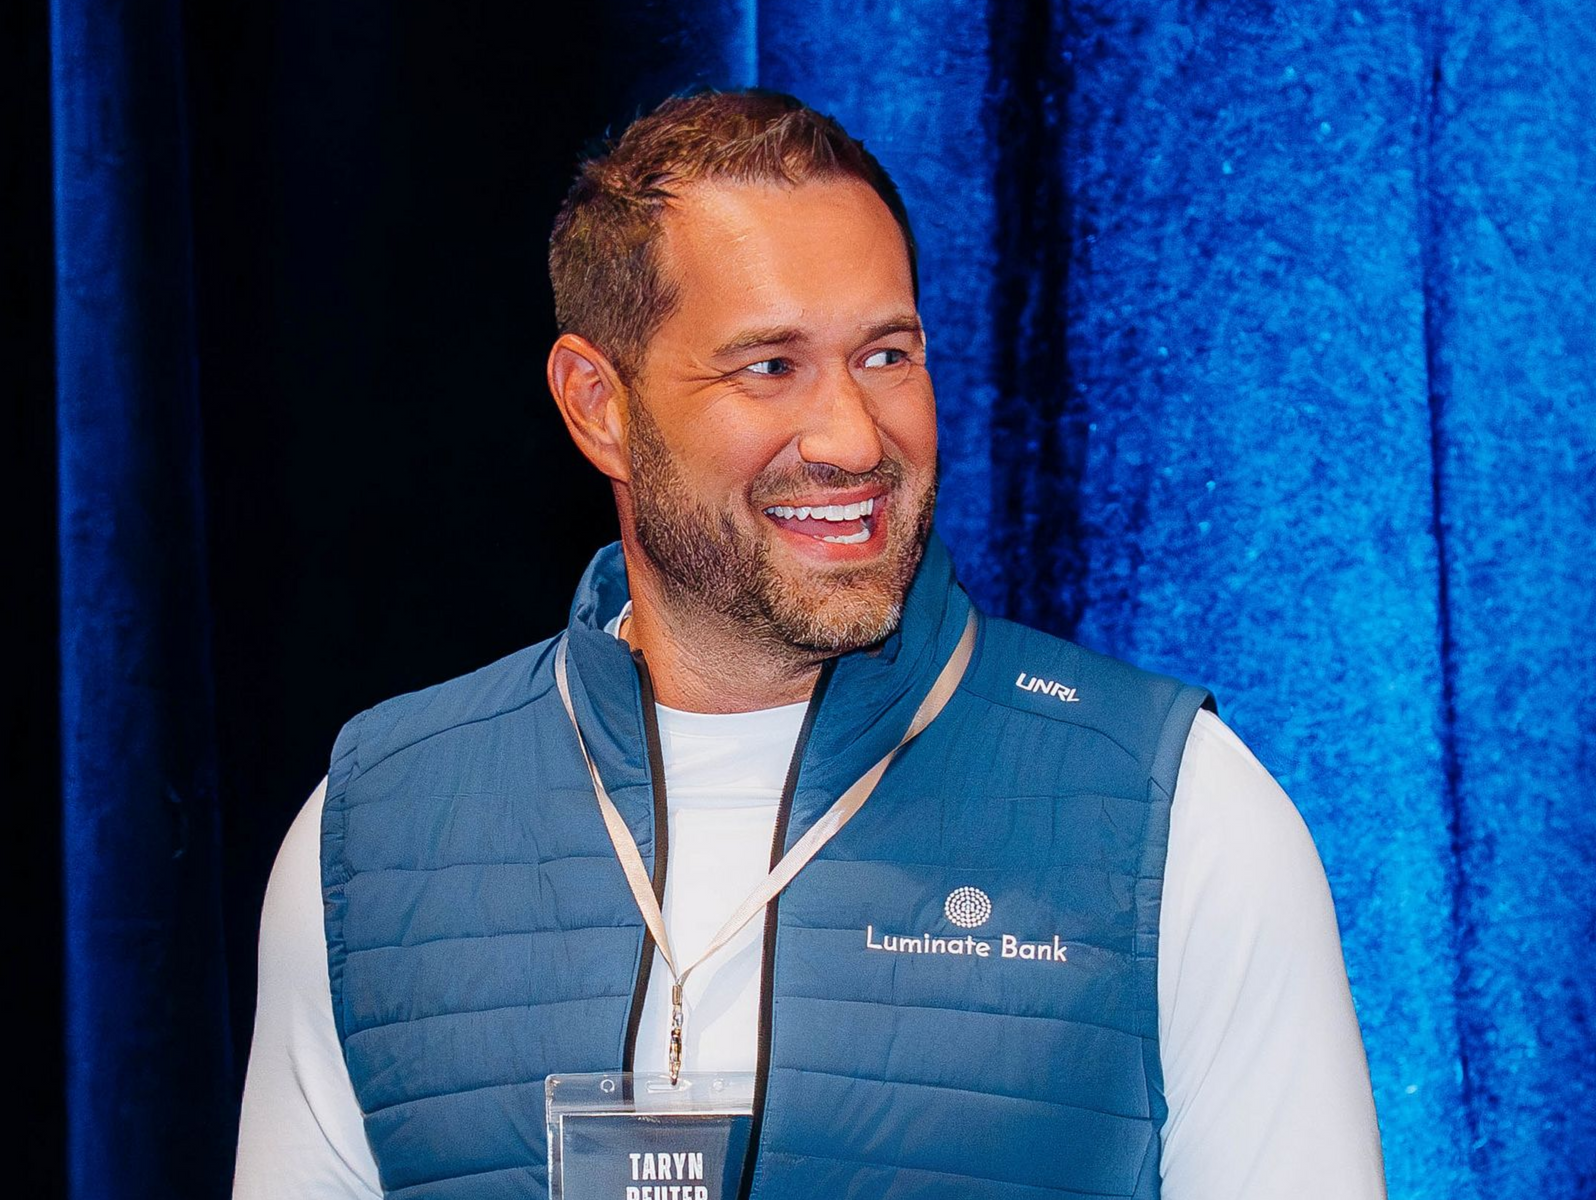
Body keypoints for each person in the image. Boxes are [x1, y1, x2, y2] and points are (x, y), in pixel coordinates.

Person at [232, 90, 1386, 1199]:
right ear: (599, 406)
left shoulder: (1180, 811)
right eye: (769, 366)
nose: (850, 435)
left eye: (887, 354)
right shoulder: (372, 827)